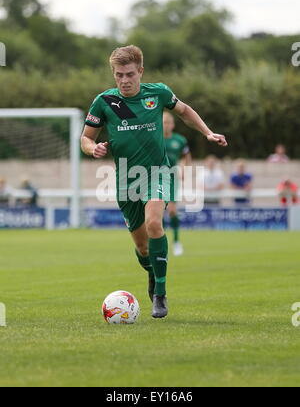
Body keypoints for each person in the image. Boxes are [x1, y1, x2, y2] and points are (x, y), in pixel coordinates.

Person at [81, 45, 227, 319]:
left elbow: (184, 111)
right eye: (118, 75)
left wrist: (207, 133)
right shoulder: (104, 101)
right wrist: (93, 149)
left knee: (154, 223)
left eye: (129, 74)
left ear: (141, 72)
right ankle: (153, 274)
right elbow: (86, 138)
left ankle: (160, 292)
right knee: (142, 247)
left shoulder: (157, 93)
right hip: (126, 178)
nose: (124, 80)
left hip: (158, 173)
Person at [163, 111, 192, 257]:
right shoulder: (154, 138)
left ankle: (176, 241)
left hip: (172, 178)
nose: (166, 125)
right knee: (157, 212)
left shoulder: (179, 140)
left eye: (168, 123)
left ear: (173, 125)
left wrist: (184, 169)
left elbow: (186, 156)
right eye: (164, 123)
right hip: (155, 177)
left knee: (172, 210)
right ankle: (160, 244)